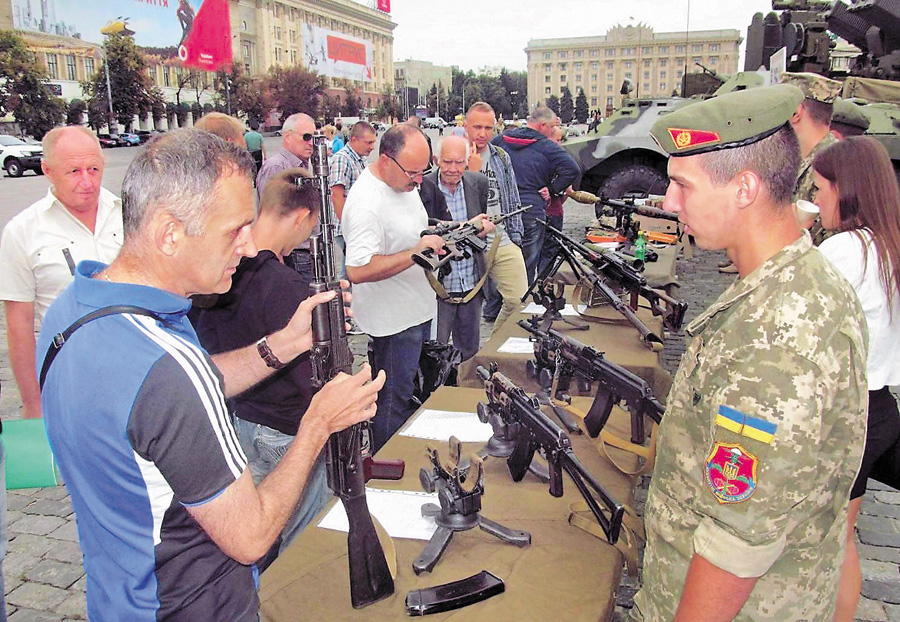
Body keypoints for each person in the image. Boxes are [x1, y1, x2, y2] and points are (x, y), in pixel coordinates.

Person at [37, 129, 384, 621]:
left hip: (119, 596)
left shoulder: (72, 311)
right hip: (194, 605)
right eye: (234, 230)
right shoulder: (168, 368)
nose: (247, 248)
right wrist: (318, 425)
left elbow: (160, 402)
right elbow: (252, 536)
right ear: (169, 232)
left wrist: (283, 343)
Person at [630, 84, 868, 622]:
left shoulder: (778, 337)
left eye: (681, 186)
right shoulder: (787, 286)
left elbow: (738, 541)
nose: (668, 203)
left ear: (744, 188)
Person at [194, 168, 330, 571]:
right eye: (310, 229)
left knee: (256, 535)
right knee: (302, 544)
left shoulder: (220, 272)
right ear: (302, 217)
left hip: (240, 423)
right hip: (287, 430)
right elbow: (310, 375)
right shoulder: (285, 285)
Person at [811, 136, 900, 622]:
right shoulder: (888, 242)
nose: (817, 198)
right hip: (880, 405)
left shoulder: (844, 250)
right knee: (843, 540)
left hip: (844, 415)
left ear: (846, 189)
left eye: (821, 187)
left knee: (824, 545)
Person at [0, 126, 123, 421]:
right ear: (47, 170)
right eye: (73, 171)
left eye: (93, 169)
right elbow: (19, 327)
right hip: (66, 380)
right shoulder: (22, 232)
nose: (87, 181)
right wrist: (33, 403)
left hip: (131, 371)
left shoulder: (129, 214)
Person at [342, 123, 444, 451]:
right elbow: (356, 270)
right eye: (413, 172)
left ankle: (400, 450)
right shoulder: (365, 203)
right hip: (393, 322)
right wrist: (415, 253)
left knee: (406, 390)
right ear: (386, 160)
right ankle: (386, 464)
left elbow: (410, 229)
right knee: (390, 401)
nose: (419, 180)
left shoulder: (401, 182)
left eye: (423, 170)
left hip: (414, 310)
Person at [491, 105, 580, 284]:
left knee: (498, 263)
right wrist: (553, 189)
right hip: (531, 211)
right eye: (552, 127)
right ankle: (523, 305)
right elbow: (572, 169)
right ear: (542, 125)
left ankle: (496, 308)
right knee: (526, 266)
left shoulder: (500, 140)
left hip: (500, 211)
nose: (553, 131)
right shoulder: (546, 146)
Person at [426, 135, 494, 361]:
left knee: (469, 351)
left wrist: (483, 228)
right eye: (447, 162)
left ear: (468, 161)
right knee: (435, 350)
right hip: (438, 286)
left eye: (459, 162)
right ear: (436, 160)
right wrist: (464, 226)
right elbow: (421, 229)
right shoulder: (423, 187)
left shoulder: (478, 183)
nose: (453, 169)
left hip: (471, 283)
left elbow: (484, 220)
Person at [464, 101, 528, 331]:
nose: (483, 134)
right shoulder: (453, 157)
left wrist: (516, 236)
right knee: (467, 308)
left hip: (501, 237)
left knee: (518, 298)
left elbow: (511, 196)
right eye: (477, 127)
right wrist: (471, 172)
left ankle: (493, 347)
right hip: (467, 243)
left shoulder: (500, 156)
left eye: (488, 128)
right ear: (466, 126)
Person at [258, 113, 317, 286]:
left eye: (314, 137)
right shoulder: (277, 167)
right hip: (293, 254)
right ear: (288, 137)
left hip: (308, 252)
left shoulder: (302, 164)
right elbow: (270, 217)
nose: (311, 143)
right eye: (306, 137)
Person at [329, 120, 377, 282]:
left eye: (373, 142)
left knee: (353, 269)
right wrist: (347, 227)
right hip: (348, 229)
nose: (372, 147)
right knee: (350, 272)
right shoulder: (342, 159)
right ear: (354, 140)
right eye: (368, 142)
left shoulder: (360, 159)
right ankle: (345, 304)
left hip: (357, 226)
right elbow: (336, 195)